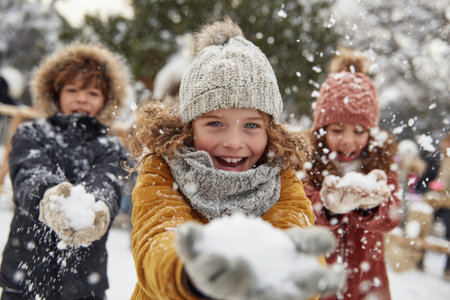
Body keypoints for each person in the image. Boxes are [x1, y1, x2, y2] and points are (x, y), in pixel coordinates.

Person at [129, 17, 345, 300]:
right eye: (215, 124)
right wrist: (194, 275)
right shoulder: (163, 168)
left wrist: (288, 266)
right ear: (189, 126)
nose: (233, 142)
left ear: (270, 130)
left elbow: (292, 226)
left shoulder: (280, 177)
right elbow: (155, 238)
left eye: (251, 125)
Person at [0, 43, 132, 299]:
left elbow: (107, 182)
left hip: (83, 282)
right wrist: (49, 196)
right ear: (54, 93)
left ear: (107, 100)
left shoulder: (112, 147)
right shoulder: (31, 134)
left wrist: (98, 208)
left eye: (93, 93)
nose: (81, 98)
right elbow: (29, 173)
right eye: (72, 89)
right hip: (25, 275)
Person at [305, 47, 403, 300]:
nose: (348, 141)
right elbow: (299, 210)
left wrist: (369, 207)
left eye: (359, 131)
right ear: (321, 130)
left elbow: (392, 216)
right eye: (337, 130)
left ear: (371, 133)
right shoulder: (308, 163)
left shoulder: (380, 164)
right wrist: (327, 206)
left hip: (366, 282)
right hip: (318, 278)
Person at [422, 131, 450, 278]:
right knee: (421, 222)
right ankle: (418, 258)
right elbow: (424, 179)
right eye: (446, 141)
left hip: (448, 203)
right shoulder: (435, 158)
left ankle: (448, 268)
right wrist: (430, 187)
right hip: (431, 200)